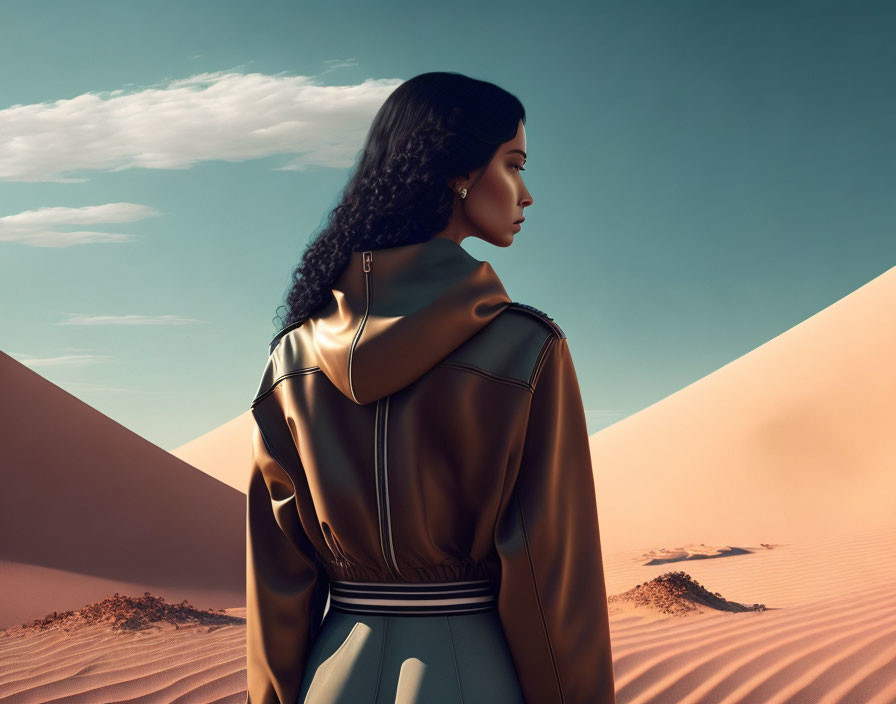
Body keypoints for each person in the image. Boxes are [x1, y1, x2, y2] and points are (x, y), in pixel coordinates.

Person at [245, 71, 616, 704]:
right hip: (470, 674)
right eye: (514, 164)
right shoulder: (527, 348)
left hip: (331, 677)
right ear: (458, 173)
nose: (526, 194)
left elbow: (278, 580)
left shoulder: (293, 355)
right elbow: (547, 573)